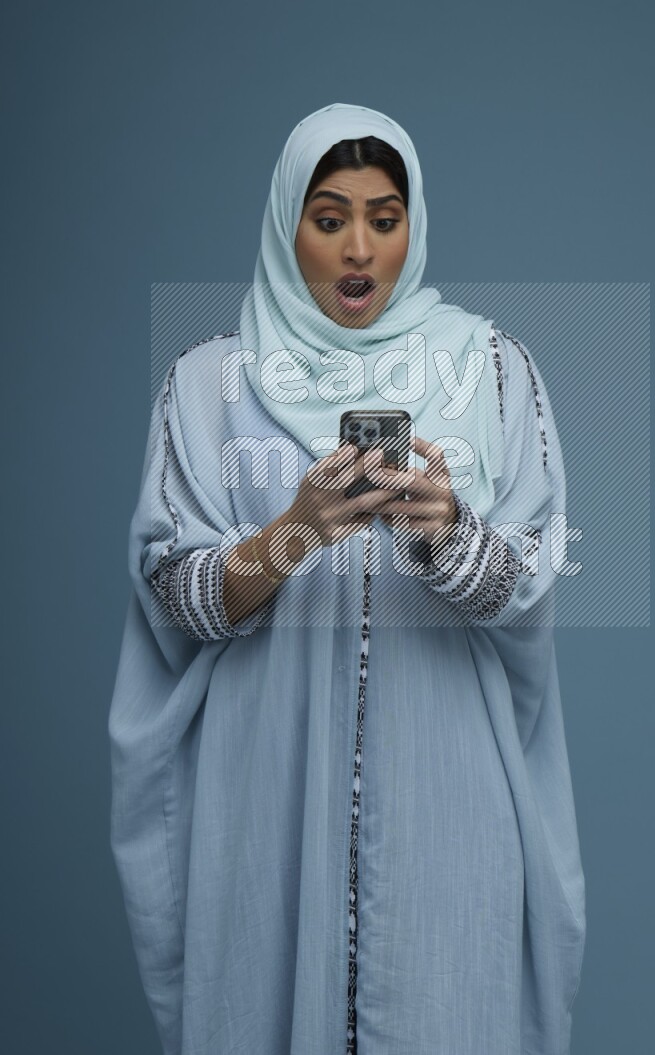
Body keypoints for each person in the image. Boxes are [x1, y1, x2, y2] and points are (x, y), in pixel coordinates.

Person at [108, 102, 586, 1055]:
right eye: (329, 219)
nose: (360, 250)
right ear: (288, 225)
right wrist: (294, 533)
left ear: (415, 223)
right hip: (267, 802)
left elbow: (534, 577)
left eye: (384, 217)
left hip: (450, 798)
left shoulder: (492, 373)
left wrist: (447, 530)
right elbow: (174, 595)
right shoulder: (209, 385)